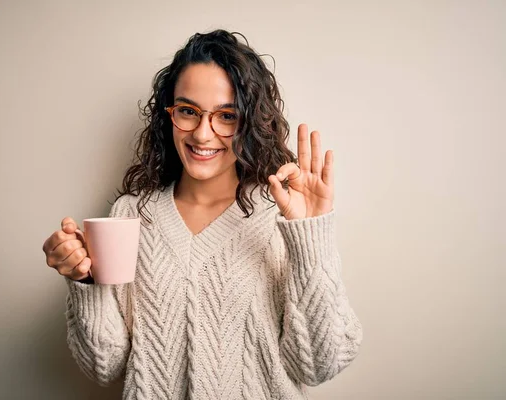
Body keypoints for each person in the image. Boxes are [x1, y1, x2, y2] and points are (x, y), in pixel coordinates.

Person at [42, 29, 362, 399]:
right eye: (188, 111)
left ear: (251, 122)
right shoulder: (131, 215)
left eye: (226, 116)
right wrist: (85, 282)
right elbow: (105, 366)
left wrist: (309, 234)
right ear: (169, 114)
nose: (203, 134)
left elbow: (319, 364)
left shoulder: (282, 214)